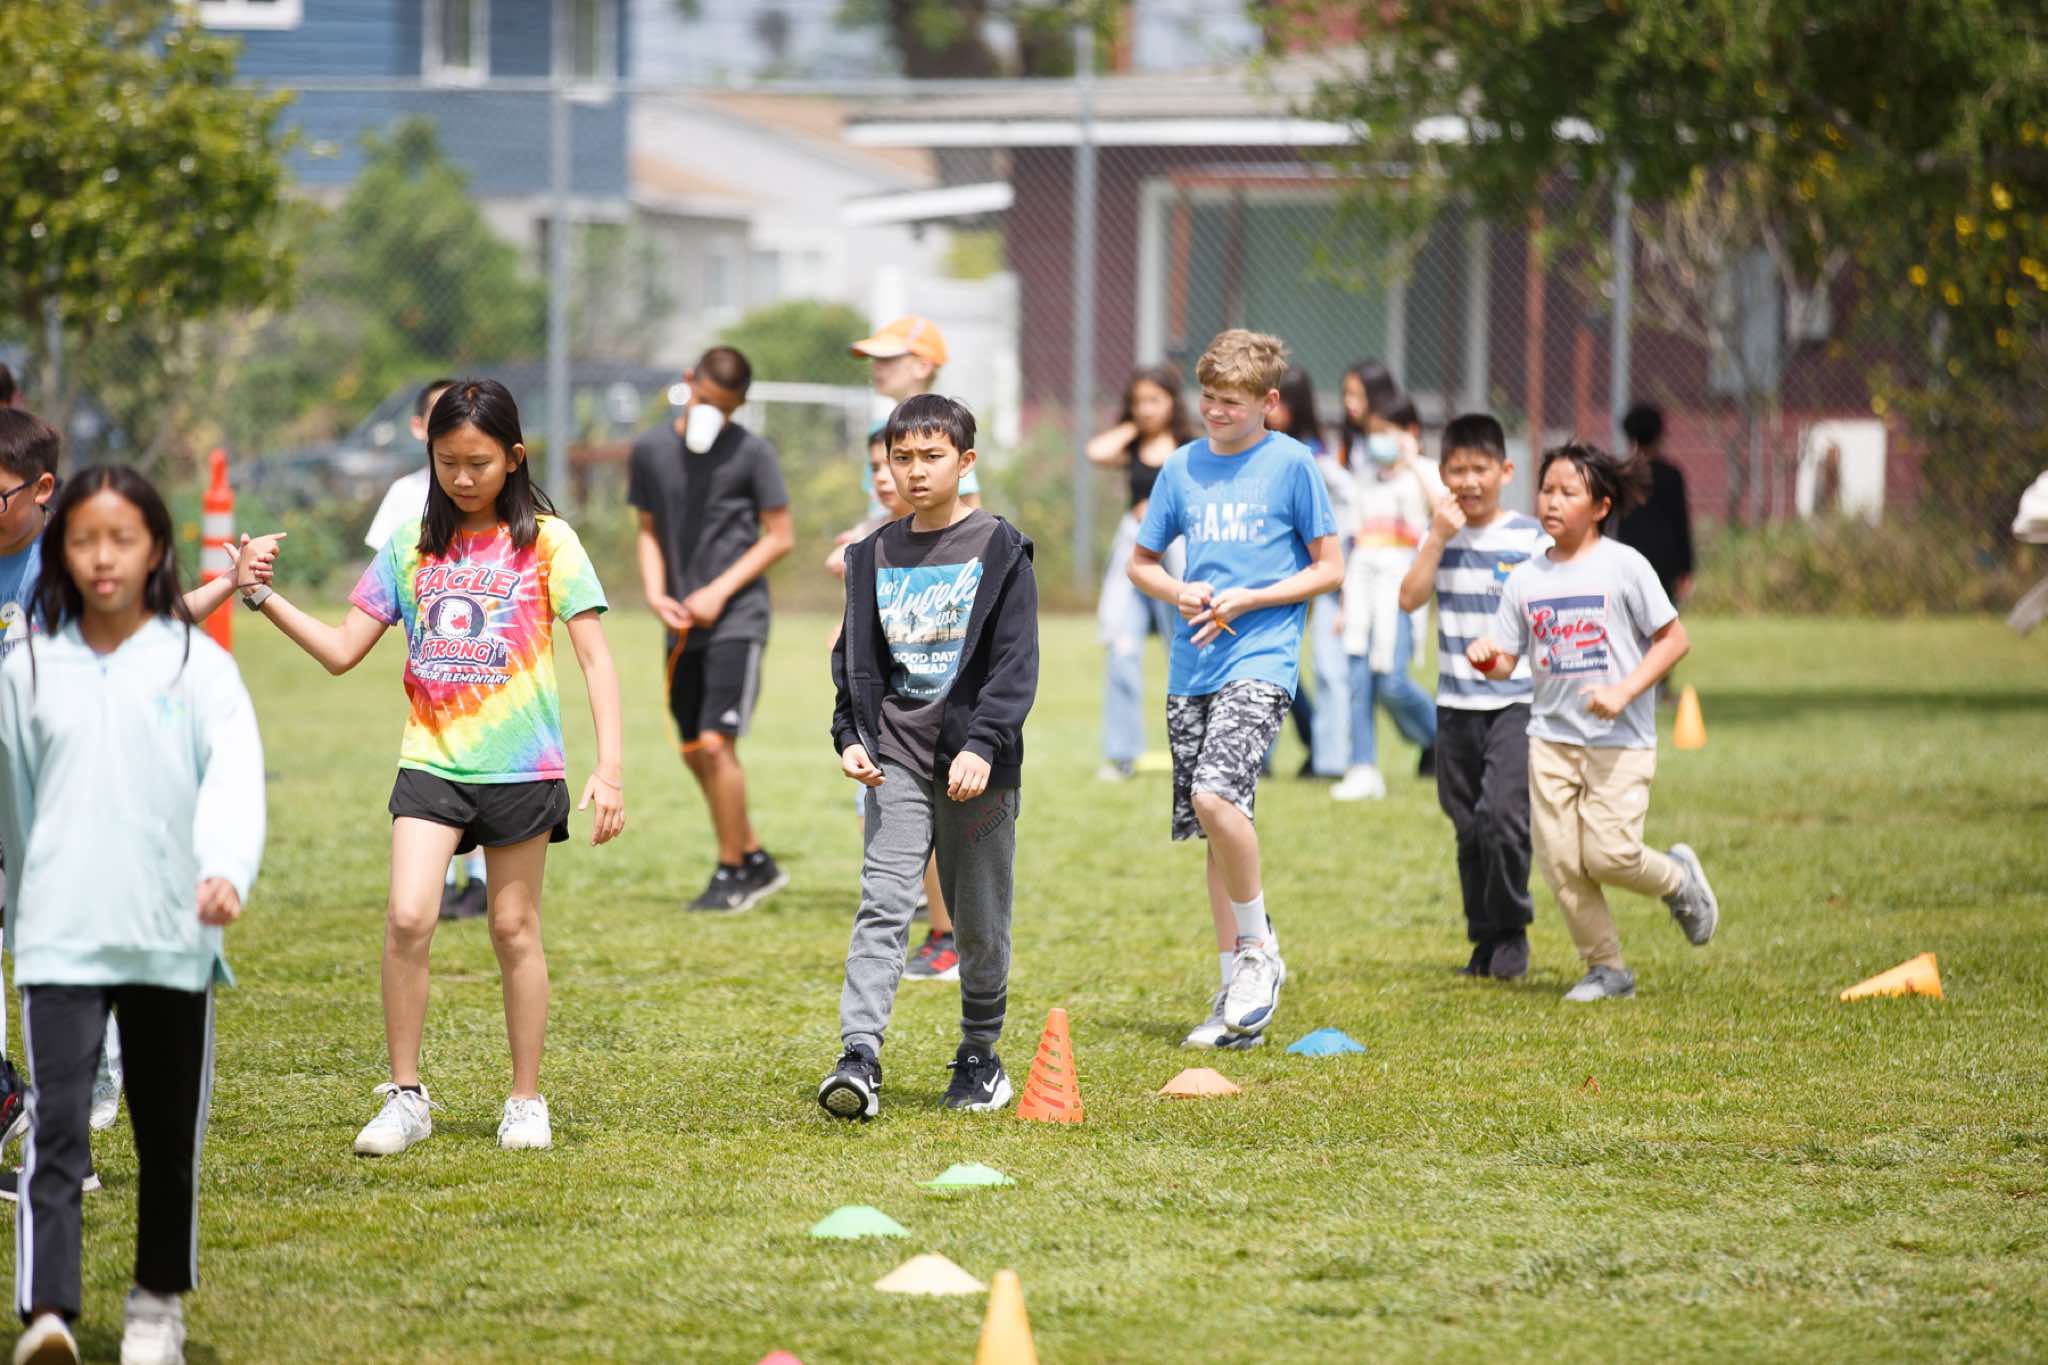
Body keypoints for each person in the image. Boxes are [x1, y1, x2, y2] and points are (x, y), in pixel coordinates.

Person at [247, 379, 625, 1154]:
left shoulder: (549, 542)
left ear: (513, 457)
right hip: (431, 761)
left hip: (521, 768)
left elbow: (596, 658)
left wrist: (609, 767)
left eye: (477, 462)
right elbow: (342, 650)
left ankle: (525, 1099)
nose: (461, 477)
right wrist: (261, 598)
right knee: (408, 916)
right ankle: (406, 1095)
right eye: (446, 461)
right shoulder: (410, 546)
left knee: (514, 928)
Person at [0, 465, 266, 1365]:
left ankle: (157, 1304)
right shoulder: (28, 672)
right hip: (61, 936)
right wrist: (36, 902)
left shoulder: (199, 666)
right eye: (84, 540)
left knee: (165, 1133)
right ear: (61, 553)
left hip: (170, 935)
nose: (103, 557)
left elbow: (234, 782)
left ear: (156, 548)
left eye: (122, 539)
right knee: (57, 1128)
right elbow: (18, 807)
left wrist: (224, 867)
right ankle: (47, 1313)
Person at [818, 394, 1039, 1121]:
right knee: (884, 904)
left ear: (965, 462)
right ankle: (859, 1055)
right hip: (898, 759)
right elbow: (855, 662)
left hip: (977, 766)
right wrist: (850, 735)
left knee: (978, 920)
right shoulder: (871, 555)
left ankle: (980, 1054)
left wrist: (983, 745)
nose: (914, 471)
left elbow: (1015, 665)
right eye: (900, 458)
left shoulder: (1000, 549)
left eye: (931, 457)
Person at [1127, 329, 1342, 1050]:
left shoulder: (1293, 465)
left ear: (1268, 402)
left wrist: (1252, 598)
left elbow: (1330, 567)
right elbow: (1141, 563)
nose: (1216, 412)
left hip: (1263, 658)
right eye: (1209, 398)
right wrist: (1180, 589)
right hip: (1192, 667)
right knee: (1214, 827)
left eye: (1232, 402)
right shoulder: (1181, 467)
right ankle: (1233, 1000)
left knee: (1215, 796)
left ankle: (1258, 951)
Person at [1466, 440, 1720, 1002]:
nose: (1552, 502)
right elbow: (1508, 660)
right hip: (1550, 739)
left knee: (1609, 855)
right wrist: (1488, 659)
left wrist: (1625, 691)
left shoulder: (1625, 566)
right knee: (1561, 863)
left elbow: (1673, 640)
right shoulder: (1526, 578)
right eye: (1546, 490)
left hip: (1619, 741)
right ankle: (1607, 969)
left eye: (1568, 492)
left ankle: (1677, 879)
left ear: (1601, 506)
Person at [629, 347, 793, 913]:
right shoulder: (650, 450)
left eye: (724, 408)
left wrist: (720, 591)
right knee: (694, 749)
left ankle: (732, 873)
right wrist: (656, 593)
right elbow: (648, 529)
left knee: (718, 744)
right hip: (680, 623)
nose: (710, 414)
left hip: (738, 619)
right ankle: (754, 856)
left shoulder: (753, 453)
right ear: (688, 383)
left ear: (739, 406)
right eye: (703, 400)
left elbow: (780, 536)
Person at [1396, 413, 1547, 979]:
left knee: (1502, 817)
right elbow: (1409, 599)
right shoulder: (1439, 535)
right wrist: (1437, 536)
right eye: (1457, 471)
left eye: (1480, 469)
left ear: (1505, 471)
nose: (1469, 481)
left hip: (1515, 702)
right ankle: (1483, 940)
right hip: (1455, 706)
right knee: (1467, 826)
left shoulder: (1531, 538)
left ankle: (1511, 932)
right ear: (1442, 475)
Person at [829, 432, 956, 983]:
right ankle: (901, 936)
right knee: (876, 820)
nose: (885, 477)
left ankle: (947, 935)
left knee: (932, 827)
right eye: (879, 467)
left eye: (894, 465)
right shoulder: (873, 539)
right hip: (876, 711)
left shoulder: (954, 538)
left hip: (930, 713)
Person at [365, 378, 489, 922]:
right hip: (430, 667)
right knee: (443, 762)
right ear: (421, 430)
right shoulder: (405, 497)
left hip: (483, 666)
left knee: (481, 757)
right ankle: (431, 881)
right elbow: (386, 573)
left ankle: (478, 879)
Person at [1086, 365, 1197, 781]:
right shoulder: (1132, 444)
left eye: (1155, 400)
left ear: (1173, 402)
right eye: (1139, 401)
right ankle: (1122, 754)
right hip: (1135, 553)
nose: (1146, 408)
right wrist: (1135, 425)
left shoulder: (1189, 448)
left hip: (1178, 552)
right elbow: (1096, 452)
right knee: (1121, 647)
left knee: (1186, 646)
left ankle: (1196, 745)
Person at [1334, 390, 1443, 800]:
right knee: (1358, 679)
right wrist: (1344, 604)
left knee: (1392, 681)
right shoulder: (1364, 479)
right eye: (1373, 432)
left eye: (1387, 431)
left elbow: (1443, 510)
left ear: (1408, 431)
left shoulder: (1424, 472)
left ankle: (1443, 736)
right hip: (1361, 587)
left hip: (1400, 589)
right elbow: (1353, 540)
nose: (1378, 440)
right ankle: (1362, 766)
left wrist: (1413, 460)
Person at [1269, 365, 1349, 779]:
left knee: (1315, 664)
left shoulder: (1313, 454)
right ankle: (1288, 748)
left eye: (1277, 400)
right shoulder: (1257, 446)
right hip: (1274, 570)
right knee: (1272, 661)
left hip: (1313, 571)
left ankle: (1324, 753)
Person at [850, 315, 981, 509]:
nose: (876, 366)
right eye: (875, 359)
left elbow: (970, 508)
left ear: (923, 367)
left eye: (887, 359)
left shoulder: (940, 431)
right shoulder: (880, 430)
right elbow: (877, 509)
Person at [1615, 402, 1695, 701]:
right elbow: (1681, 523)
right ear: (1660, 434)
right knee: (1662, 622)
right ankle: (1659, 685)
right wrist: (1686, 567)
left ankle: (1631, 679)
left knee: (1628, 623)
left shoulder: (1621, 474)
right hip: (1664, 559)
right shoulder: (1671, 474)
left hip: (1627, 555)